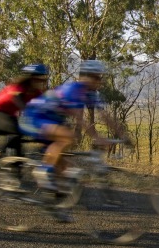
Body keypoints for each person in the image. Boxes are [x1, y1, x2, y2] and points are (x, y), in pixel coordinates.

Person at [19, 60, 128, 192]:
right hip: (33, 118)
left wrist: (123, 135)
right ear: (85, 77)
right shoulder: (73, 90)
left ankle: (54, 199)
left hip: (50, 121)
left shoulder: (91, 94)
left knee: (65, 168)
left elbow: (105, 117)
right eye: (96, 77)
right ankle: (43, 171)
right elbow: (80, 119)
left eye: (100, 77)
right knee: (69, 137)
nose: (99, 80)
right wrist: (96, 137)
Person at [0, 64, 49, 158]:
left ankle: (16, 165)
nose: (41, 82)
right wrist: (29, 114)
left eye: (43, 79)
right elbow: (17, 99)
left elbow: (44, 105)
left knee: (18, 138)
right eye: (38, 79)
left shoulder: (36, 92)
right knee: (15, 131)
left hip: (9, 113)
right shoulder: (17, 87)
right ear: (29, 78)